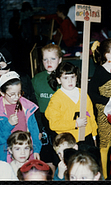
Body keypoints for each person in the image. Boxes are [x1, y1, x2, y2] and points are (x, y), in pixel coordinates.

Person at [0, 71, 42, 162]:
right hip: (5, 156)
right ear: (2, 92)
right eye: (12, 94)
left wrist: (36, 149)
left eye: (19, 93)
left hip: (26, 154)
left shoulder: (27, 107)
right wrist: (8, 124)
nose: (16, 97)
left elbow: (34, 131)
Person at [88, 38, 111, 178]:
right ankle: (104, 176)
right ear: (108, 55)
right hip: (105, 115)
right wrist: (110, 102)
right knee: (105, 145)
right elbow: (92, 94)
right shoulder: (100, 72)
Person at [45, 61, 98, 146]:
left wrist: (94, 136)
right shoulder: (56, 99)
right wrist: (75, 124)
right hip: (68, 140)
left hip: (86, 136)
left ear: (76, 77)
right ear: (59, 80)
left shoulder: (83, 93)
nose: (70, 81)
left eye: (72, 77)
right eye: (65, 78)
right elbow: (54, 124)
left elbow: (91, 115)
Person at [31, 43, 63, 172]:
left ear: (60, 60)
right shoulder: (37, 79)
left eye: (53, 59)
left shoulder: (64, 78)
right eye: (45, 59)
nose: (48, 62)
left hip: (60, 118)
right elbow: (34, 103)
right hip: (43, 119)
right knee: (46, 152)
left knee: (59, 152)